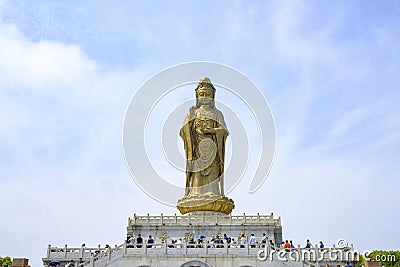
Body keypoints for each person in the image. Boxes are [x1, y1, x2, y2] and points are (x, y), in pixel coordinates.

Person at [180, 77, 229, 197]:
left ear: (212, 96)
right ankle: (195, 192)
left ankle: (212, 191)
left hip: (212, 146)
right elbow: (183, 131)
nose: (205, 97)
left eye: (208, 94)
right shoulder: (194, 112)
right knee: (197, 170)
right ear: (197, 96)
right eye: (201, 94)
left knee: (212, 169)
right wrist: (190, 122)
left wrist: (212, 130)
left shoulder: (217, 113)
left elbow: (224, 131)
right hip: (197, 147)